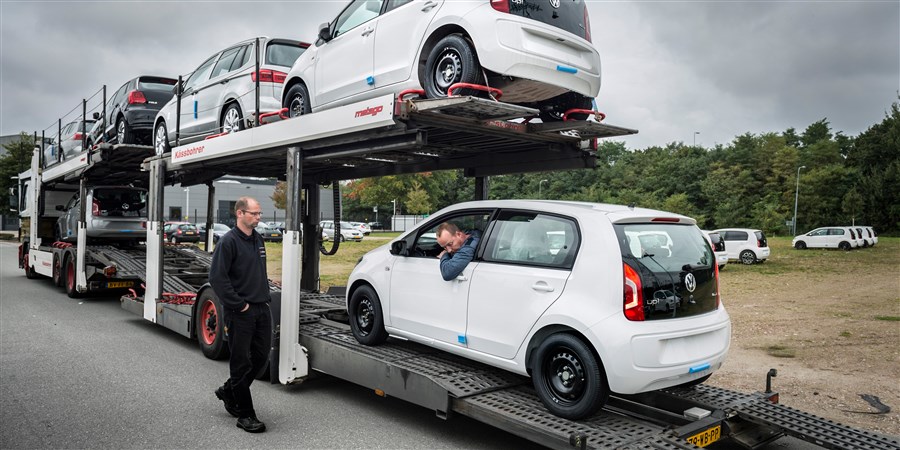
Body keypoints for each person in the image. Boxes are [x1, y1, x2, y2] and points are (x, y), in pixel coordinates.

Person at [209, 197, 272, 433]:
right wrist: (239, 305)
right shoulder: (228, 242)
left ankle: (228, 391)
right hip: (241, 312)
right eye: (254, 213)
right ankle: (245, 415)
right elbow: (217, 278)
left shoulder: (258, 239)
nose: (258, 217)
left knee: (260, 358)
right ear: (240, 214)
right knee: (240, 362)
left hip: (261, 308)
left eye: (259, 213)